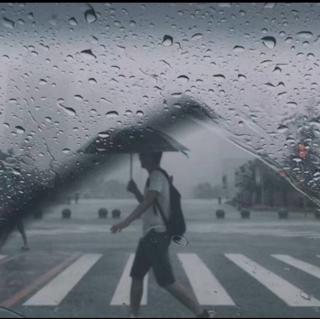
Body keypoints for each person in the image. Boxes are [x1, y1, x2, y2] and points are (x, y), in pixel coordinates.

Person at [111, 152, 214, 318]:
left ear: (152, 157)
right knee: (136, 275)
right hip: (149, 236)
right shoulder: (153, 177)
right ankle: (134, 314)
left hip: (156, 235)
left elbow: (148, 201)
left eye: (143, 156)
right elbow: (149, 204)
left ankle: (201, 313)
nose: (140, 158)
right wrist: (136, 191)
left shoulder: (157, 175)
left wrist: (125, 222)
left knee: (166, 281)